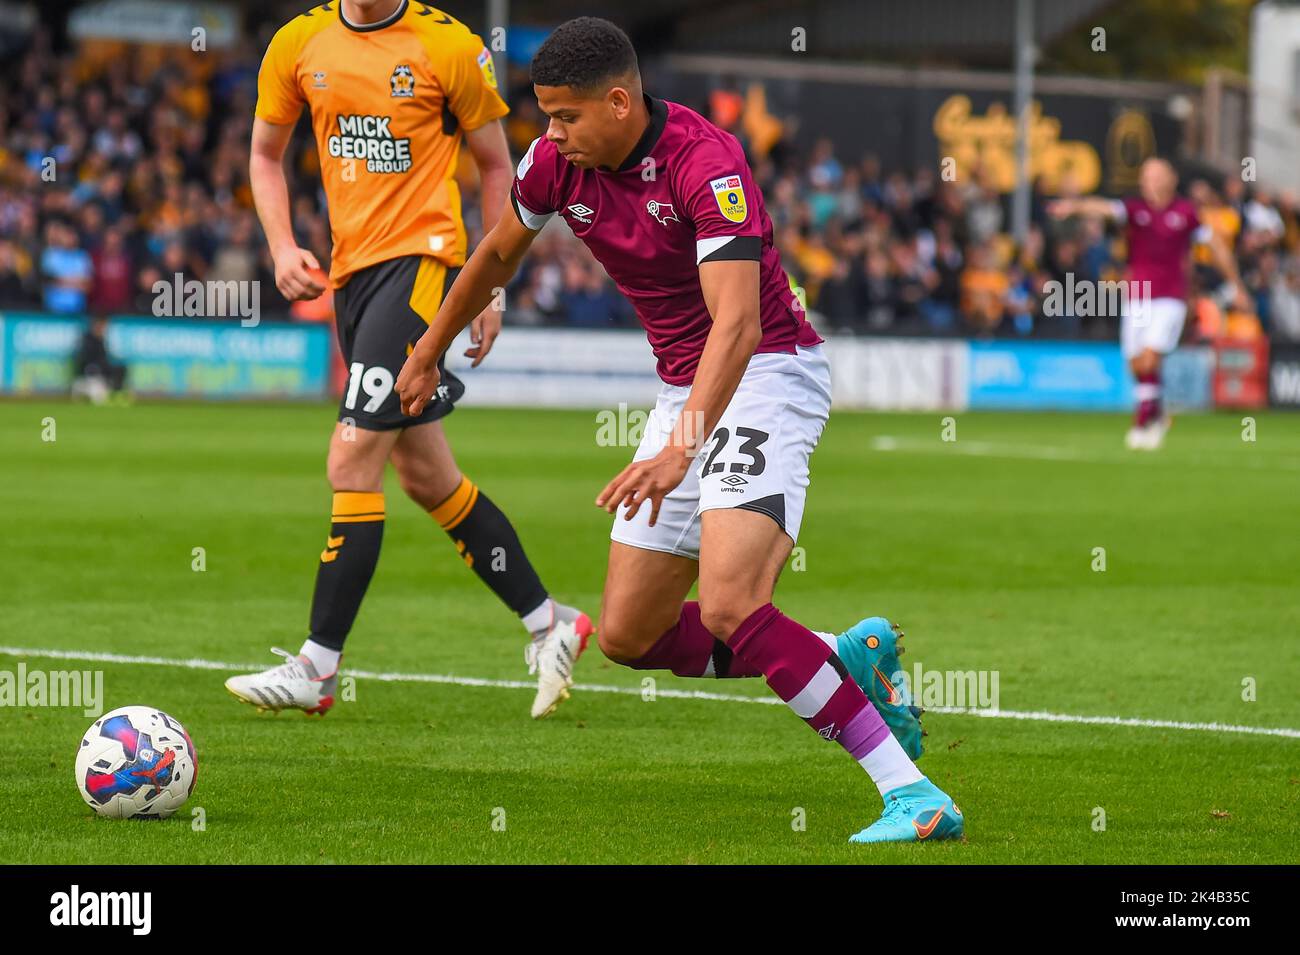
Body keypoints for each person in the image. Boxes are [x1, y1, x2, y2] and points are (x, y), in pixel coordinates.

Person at [396, 17, 961, 844]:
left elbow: (735, 327)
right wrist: (427, 347)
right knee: (629, 633)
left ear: (619, 102)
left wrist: (677, 447)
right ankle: (840, 658)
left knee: (733, 604)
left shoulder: (708, 164)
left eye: (565, 117)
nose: (550, 134)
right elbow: (495, 254)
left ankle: (912, 793)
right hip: (682, 389)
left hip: (768, 373)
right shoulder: (556, 164)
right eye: (544, 116)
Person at [227, 0, 590, 721]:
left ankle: (317, 666)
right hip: (352, 275)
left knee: (351, 458)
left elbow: (498, 168)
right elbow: (264, 156)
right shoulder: (298, 44)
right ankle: (551, 621)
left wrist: (490, 286)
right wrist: (279, 246)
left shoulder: (447, 45)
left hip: (422, 264)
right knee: (427, 475)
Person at [1050, 158, 1249, 450]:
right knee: (1136, 362)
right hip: (1138, 296)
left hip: (1170, 297)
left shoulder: (1186, 213)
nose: (1147, 182)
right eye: (1144, 176)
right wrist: (1074, 206)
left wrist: (1236, 284)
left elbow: (1215, 247)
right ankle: (1157, 412)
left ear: (1170, 178)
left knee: (1150, 357)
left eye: (1153, 176)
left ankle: (1143, 422)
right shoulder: (1134, 209)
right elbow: (1104, 207)